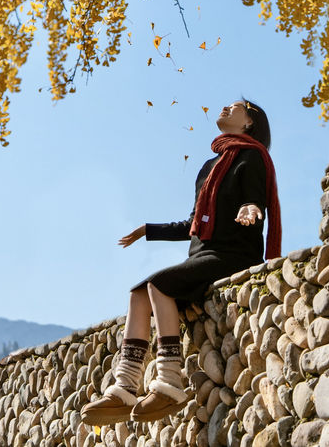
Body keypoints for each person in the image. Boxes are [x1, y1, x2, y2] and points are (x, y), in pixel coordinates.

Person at [81, 99, 282, 427]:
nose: (225, 109)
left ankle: (170, 382)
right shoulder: (208, 167)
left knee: (158, 285)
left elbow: (253, 196)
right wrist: (149, 230)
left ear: (249, 123)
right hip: (202, 257)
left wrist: (251, 208)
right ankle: (125, 387)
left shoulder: (253, 156)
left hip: (232, 256)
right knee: (138, 294)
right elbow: (193, 223)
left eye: (235, 107)